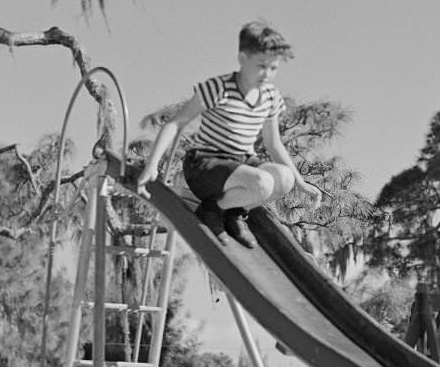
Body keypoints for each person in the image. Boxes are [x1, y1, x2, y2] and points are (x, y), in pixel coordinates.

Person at [136, 20, 322, 247]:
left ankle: (234, 212)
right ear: (243, 59)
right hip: (205, 164)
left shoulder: (270, 96)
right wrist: (152, 165)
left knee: (284, 179)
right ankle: (211, 209)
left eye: (273, 68)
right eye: (261, 66)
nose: (267, 74)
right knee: (262, 182)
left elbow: (274, 144)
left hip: (241, 162)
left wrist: (301, 183)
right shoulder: (218, 88)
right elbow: (175, 124)